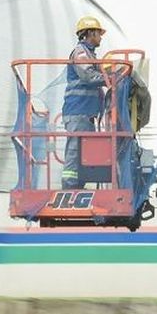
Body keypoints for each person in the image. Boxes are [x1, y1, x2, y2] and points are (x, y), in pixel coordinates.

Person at [62, 16, 109, 189]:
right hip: (78, 110)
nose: (101, 37)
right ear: (89, 33)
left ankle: (77, 184)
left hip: (86, 112)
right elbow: (88, 76)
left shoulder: (89, 54)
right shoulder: (81, 52)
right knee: (75, 150)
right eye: (98, 33)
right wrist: (110, 78)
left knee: (83, 151)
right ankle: (69, 186)